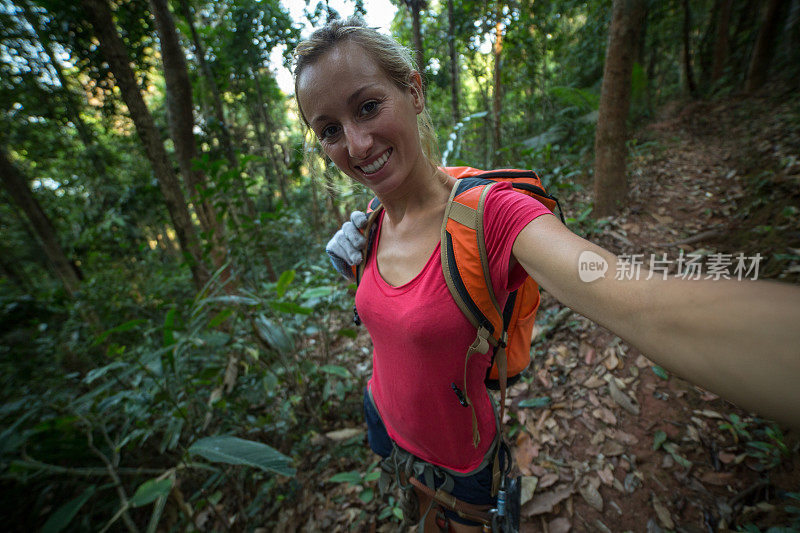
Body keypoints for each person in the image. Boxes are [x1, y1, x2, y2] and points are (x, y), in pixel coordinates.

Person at [293, 16, 800, 533]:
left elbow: (639, 301)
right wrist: (356, 264)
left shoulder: (494, 217)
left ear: (414, 91)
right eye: (330, 130)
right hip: (383, 422)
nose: (355, 145)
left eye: (368, 106)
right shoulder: (369, 228)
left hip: (459, 464)